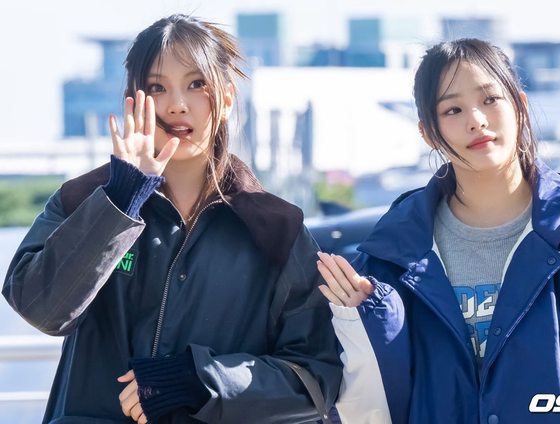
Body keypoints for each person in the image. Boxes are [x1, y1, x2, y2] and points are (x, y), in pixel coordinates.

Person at [3, 14, 341, 423]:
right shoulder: (82, 201)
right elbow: (40, 309)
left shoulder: (276, 229)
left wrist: (201, 381)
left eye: (197, 84)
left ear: (227, 98)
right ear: (132, 98)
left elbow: (315, 377)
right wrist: (121, 199)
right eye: (157, 87)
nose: (177, 104)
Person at [317, 38, 560, 423]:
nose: (476, 120)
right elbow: (366, 405)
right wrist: (362, 324)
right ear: (428, 132)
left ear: (520, 106)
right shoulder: (389, 262)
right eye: (453, 109)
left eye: (490, 99)